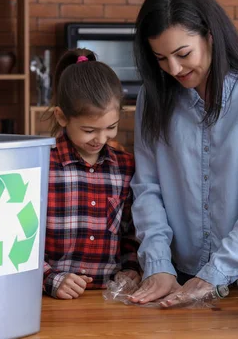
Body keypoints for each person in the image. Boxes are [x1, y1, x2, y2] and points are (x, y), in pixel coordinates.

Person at [129, 0, 238, 307]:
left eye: (183, 53)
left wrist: (216, 272)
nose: (173, 69)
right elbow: (147, 187)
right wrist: (158, 265)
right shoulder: (154, 97)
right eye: (160, 58)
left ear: (210, 36)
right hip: (179, 280)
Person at [42, 49, 140, 299]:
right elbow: (20, 241)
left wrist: (131, 269)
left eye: (111, 127)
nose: (100, 139)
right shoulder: (41, 167)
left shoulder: (126, 167)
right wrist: (50, 278)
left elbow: (130, 233)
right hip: (53, 300)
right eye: (88, 130)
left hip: (111, 299)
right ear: (61, 117)